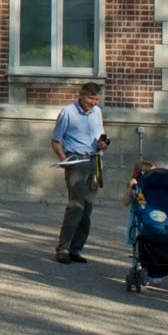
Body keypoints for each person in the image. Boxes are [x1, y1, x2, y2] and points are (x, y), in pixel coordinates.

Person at [50, 81, 109, 264]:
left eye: (96, 99)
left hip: (95, 160)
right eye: (91, 98)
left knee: (88, 207)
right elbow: (56, 140)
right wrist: (64, 160)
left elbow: (101, 136)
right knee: (76, 206)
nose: (94, 102)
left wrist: (103, 144)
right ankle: (63, 248)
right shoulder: (68, 112)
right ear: (81, 96)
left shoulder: (97, 112)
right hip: (76, 160)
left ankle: (76, 248)